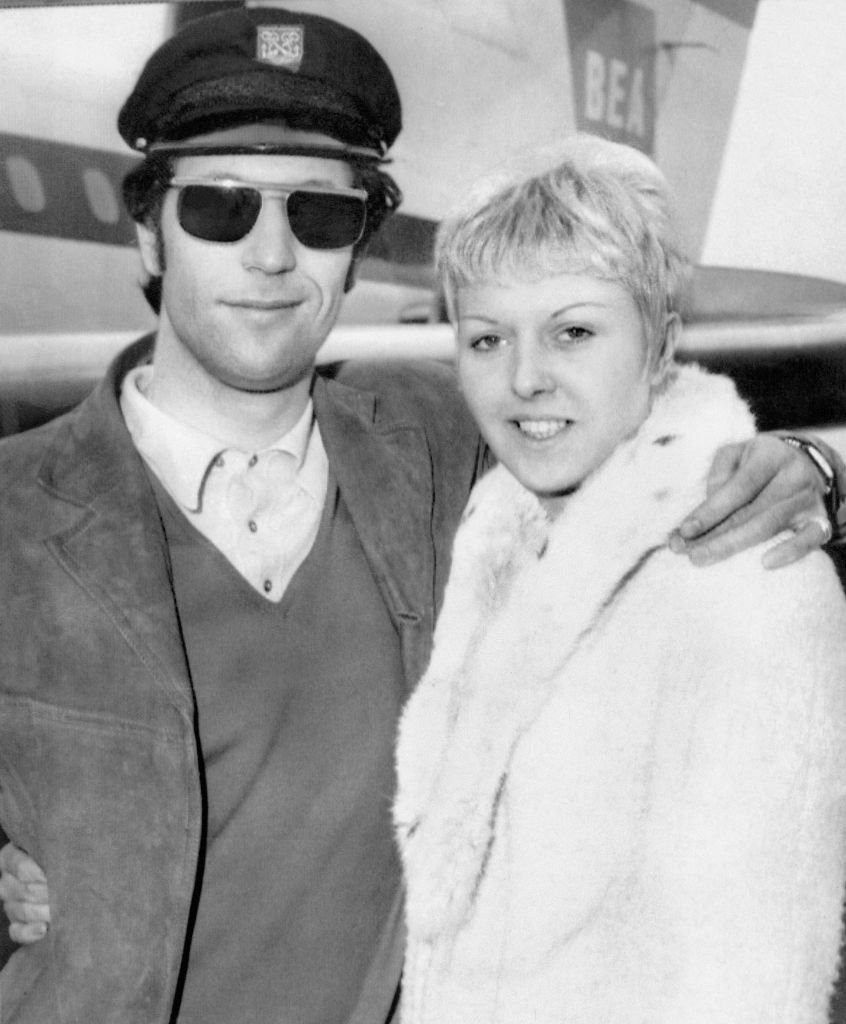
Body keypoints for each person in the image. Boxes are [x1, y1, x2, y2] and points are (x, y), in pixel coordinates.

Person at [0, 8, 840, 1024]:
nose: (271, 256)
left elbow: (630, 428)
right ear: (147, 225)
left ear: (357, 245)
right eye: (220, 208)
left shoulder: (447, 452)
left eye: (319, 215)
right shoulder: (16, 515)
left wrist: (815, 460)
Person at [392, 135, 846, 1024]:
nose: (525, 379)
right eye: (487, 338)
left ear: (661, 344)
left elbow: (757, 984)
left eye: (574, 332)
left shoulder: (749, 579)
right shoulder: (498, 546)